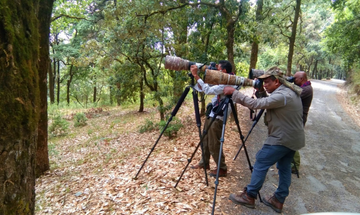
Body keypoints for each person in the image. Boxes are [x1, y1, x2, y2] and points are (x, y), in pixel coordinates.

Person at [223, 67, 305, 213]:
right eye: (264, 82)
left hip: (282, 138)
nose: (265, 85)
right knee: (284, 167)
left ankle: (250, 195)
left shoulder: (282, 96)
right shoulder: (289, 91)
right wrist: (260, 91)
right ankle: (278, 200)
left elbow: (256, 104)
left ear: (277, 82)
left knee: (261, 160)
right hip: (293, 139)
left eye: (267, 82)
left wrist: (234, 93)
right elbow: (266, 101)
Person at [189, 60, 237, 177]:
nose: (217, 71)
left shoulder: (229, 82)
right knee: (205, 139)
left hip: (218, 117)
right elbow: (208, 86)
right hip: (212, 114)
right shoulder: (224, 78)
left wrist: (196, 75)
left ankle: (222, 168)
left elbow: (208, 90)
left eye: (218, 69)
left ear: (224, 71)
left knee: (214, 143)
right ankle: (204, 162)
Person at [292, 71, 313, 173]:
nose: (294, 80)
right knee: (291, 140)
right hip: (297, 117)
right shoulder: (305, 87)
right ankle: (292, 164)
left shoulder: (307, 89)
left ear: (302, 79)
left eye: (295, 78)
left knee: (293, 142)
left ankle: (294, 165)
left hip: (300, 118)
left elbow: (293, 96)